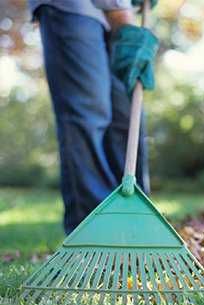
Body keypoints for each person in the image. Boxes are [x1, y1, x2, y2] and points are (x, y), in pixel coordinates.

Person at [27, 0, 158, 234]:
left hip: (116, 12)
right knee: (89, 112)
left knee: (126, 117)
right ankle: (94, 232)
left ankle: (135, 230)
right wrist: (121, 14)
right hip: (72, 7)